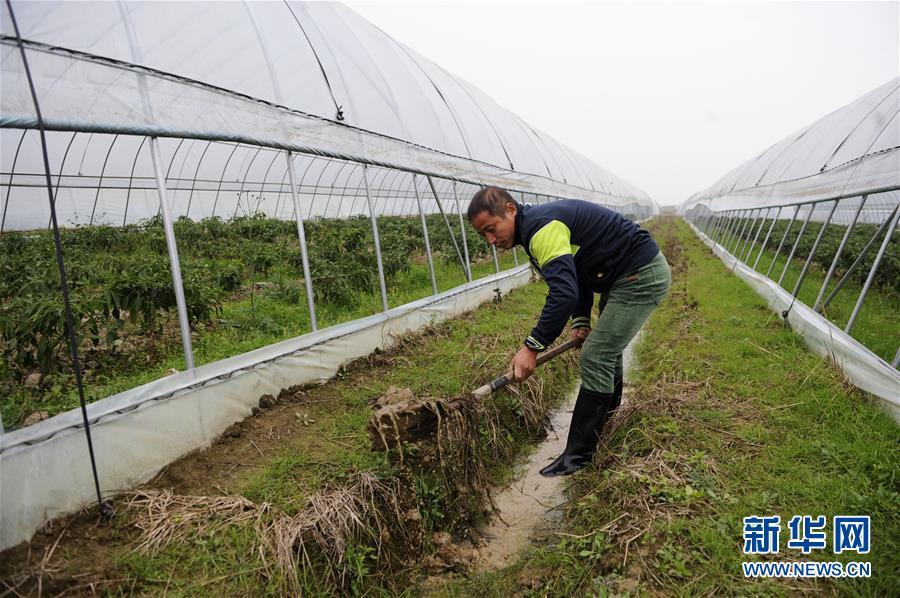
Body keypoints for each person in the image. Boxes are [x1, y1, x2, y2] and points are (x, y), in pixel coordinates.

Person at [467, 187, 670, 476]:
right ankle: (607, 422)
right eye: (482, 235)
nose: (490, 240)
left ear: (510, 210)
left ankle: (579, 456)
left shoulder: (541, 230)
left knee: (597, 354)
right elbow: (577, 274)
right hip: (620, 273)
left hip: (638, 275)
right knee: (604, 350)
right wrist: (581, 322)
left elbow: (563, 293)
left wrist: (531, 348)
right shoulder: (534, 227)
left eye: (491, 229)